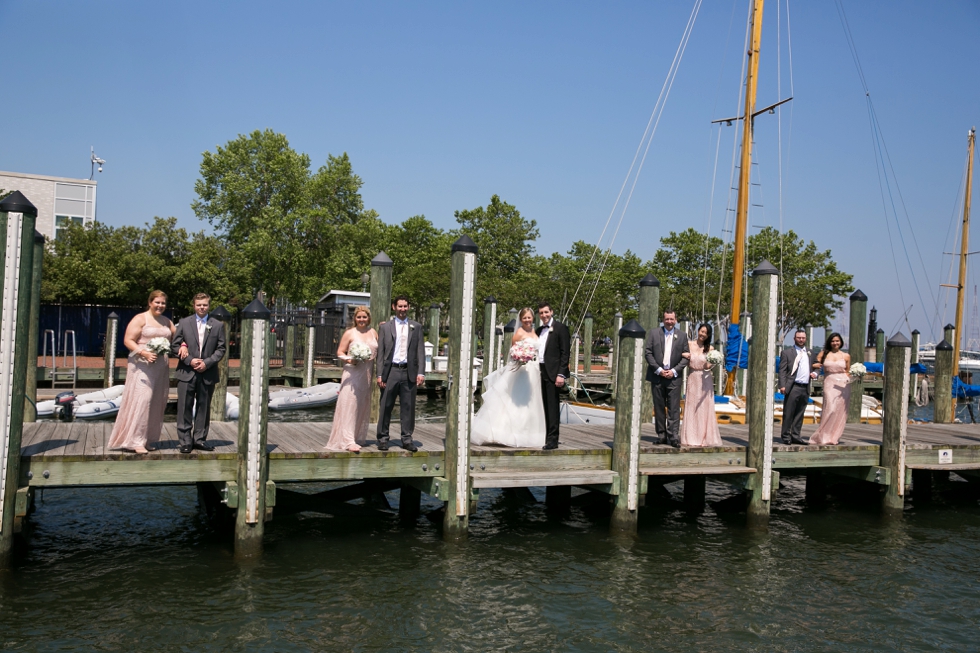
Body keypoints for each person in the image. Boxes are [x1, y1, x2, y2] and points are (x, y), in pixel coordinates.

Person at [108, 290, 175, 454]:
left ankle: (148, 439)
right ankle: (134, 440)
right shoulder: (140, 319)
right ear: (150, 302)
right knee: (143, 399)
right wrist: (143, 352)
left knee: (156, 401)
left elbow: (176, 337)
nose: (160, 306)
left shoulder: (167, 321)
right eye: (157, 302)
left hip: (160, 366)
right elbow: (128, 340)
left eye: (163, 303)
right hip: (142, 365)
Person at [471, 307, 546, 447]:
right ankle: (508, 433)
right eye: (525, 318)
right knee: (517, 401)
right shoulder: (518, 333)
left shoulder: (534, 332)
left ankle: (528, 434)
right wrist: (521, 357)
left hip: (534, 371)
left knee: (532, 404)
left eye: (529, 317)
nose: (527, 320)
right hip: (522, 370)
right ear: (521, 319)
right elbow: (513, 352)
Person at [171, 293, 227, 454]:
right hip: (187, 371)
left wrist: (207, 362)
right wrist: (189, 359)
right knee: (184, 407)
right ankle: (185, 441)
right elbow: (175, 346)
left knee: (204, 407)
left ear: (209, 306)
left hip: (207, 372)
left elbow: (221, 348)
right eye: (199, 305)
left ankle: (200, 439)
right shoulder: (184, 322)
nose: (202, 307)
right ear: (194, 305)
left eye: (205, 305)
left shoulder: (216, 325)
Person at [376, 296, 426, 451]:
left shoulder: (416, 327)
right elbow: (380, 353)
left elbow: (420, 351)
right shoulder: (385, 327)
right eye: (400, 306)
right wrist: (379, 374)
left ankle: (406, 438)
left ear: (408, 307)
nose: (402, 309)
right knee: (386, 406)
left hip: (408, 372)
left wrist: (421, 372)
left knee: (408, 407)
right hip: (390, 371)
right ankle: (383, 438)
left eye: (405, 306)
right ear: (394, 307)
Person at [326, 306, 378, 452]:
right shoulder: (350, 333)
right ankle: (348, 441)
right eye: (359, 317)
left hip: (367, 375)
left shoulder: (373, 332)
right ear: (355, 318)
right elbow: (340, 352)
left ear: (369, 318)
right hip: (352, 374)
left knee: (361, 405)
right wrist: (350, 360)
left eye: (364, 317)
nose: (362, 320)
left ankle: (354, 436)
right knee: (350, 404)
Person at [644, 310, 690, 447]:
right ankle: (662, 435)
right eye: (666, 319)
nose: (669, 321)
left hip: (674, 378)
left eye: (671, 319)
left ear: (675, 320)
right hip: (657, 376)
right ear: (663, 320)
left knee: (673, 408)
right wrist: (659, 370)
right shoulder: (653, 334)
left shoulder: (682, 336)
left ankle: (673, 436)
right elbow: (648, 353)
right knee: (659, 407)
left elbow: (686, 357)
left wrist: (674, 371)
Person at [679, 323, 722, 447]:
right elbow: (682, 356)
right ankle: (690, 437)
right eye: (701, 331)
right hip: (693, 378)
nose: (703, 334)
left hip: (705, 379)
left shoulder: (710, 348)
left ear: (708, 335)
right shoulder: (689, 345)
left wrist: (715, 361)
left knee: (704, 407)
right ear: (698, 331)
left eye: (706, 333)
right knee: (692, 406)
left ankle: (703, 436)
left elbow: (708, 366)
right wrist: (683, 355)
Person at [536, 303, 571, 450]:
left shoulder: (561, 328)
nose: (544, 315)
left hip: (553, 372)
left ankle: (553, 440)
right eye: (541, 313)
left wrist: (561, 374)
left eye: (546, 312)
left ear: (551, 312)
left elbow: (565, 353)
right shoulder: (538, 330)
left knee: (552, 406)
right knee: (541, 405)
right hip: (539, 371)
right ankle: (543, 436)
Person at [809, 332, 852, 446]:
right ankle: (823, 436)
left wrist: (855, 375)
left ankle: (834, 436)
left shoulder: (846, 356)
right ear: (829, 342)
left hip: (843, 384)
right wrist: (815, 367)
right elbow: (813, 364)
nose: (835, 343)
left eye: (837, 341)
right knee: (830, 408)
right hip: (829, 382)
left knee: (839, 410)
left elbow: (847, 371)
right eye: (833, 341)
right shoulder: (823, 354)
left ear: (841, 342)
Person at [778, 328, 817, 445]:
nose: (801, 340)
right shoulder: (787, 353)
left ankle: (796, 435)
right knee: (788, 412)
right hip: (793, 386)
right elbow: (782, 370)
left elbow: (816, 366)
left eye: (803, 338)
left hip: (805, 387)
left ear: (806, 339)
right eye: (799, 338)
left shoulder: (810, 352)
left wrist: (815, 373)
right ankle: (785, 436)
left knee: (800, 413)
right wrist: (782, 385)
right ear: (794, 338)